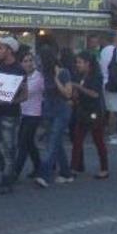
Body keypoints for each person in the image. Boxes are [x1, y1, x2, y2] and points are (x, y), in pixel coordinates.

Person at [0, 37, 28, 195]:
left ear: (10, 50)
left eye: (1, 48)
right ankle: (7, 169)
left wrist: (11, 101)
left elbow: (25, 95)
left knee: (9, 149)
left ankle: (6, 180)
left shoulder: (19, 70)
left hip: (10, 115)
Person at [35, 47, 74, 188]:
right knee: (56, 142)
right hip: (49, 111)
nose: (38, 62)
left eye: (40, 59)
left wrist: (57, 79)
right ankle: (66, 173)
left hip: (61, 111)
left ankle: (44, 174)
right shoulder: (43, 74)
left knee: (52, 143)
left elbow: (68, 93)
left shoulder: (63, 72)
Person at [70, 51, 109, 179]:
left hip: (94, 111)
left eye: (80, 62)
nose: (77, 65)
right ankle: (74, 167)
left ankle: (104, 168)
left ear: (88, 63)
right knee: (77, 140)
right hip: (82, 110)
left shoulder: (96, 76)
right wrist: (75, 94)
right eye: (77, 62)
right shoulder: (80, 76)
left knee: (98, 140)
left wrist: (79, 88)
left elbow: (95, 94)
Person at [11, 51, 44, 183]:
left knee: (23, 143)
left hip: (34, 114)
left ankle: (15, 173)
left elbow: (29, 92)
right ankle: (39, 167)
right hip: (23, 113)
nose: (29, 63)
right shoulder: (20, 76)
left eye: (30, 60)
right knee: (29, 143)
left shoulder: (39, 77)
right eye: (25, 61)